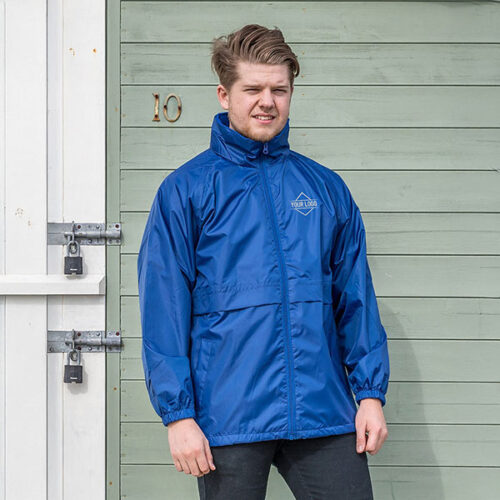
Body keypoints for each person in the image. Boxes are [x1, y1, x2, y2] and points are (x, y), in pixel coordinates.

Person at [137, 24, 390, 500]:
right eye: (252, 89)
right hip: (227, 417)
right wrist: (178, 416)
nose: (267, 102)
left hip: (321, 410)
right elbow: (163, 311)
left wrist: (371, 395)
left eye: (279, 90)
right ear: (224, 94)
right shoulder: (185, 192)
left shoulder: (325, 189)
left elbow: (355, 300)